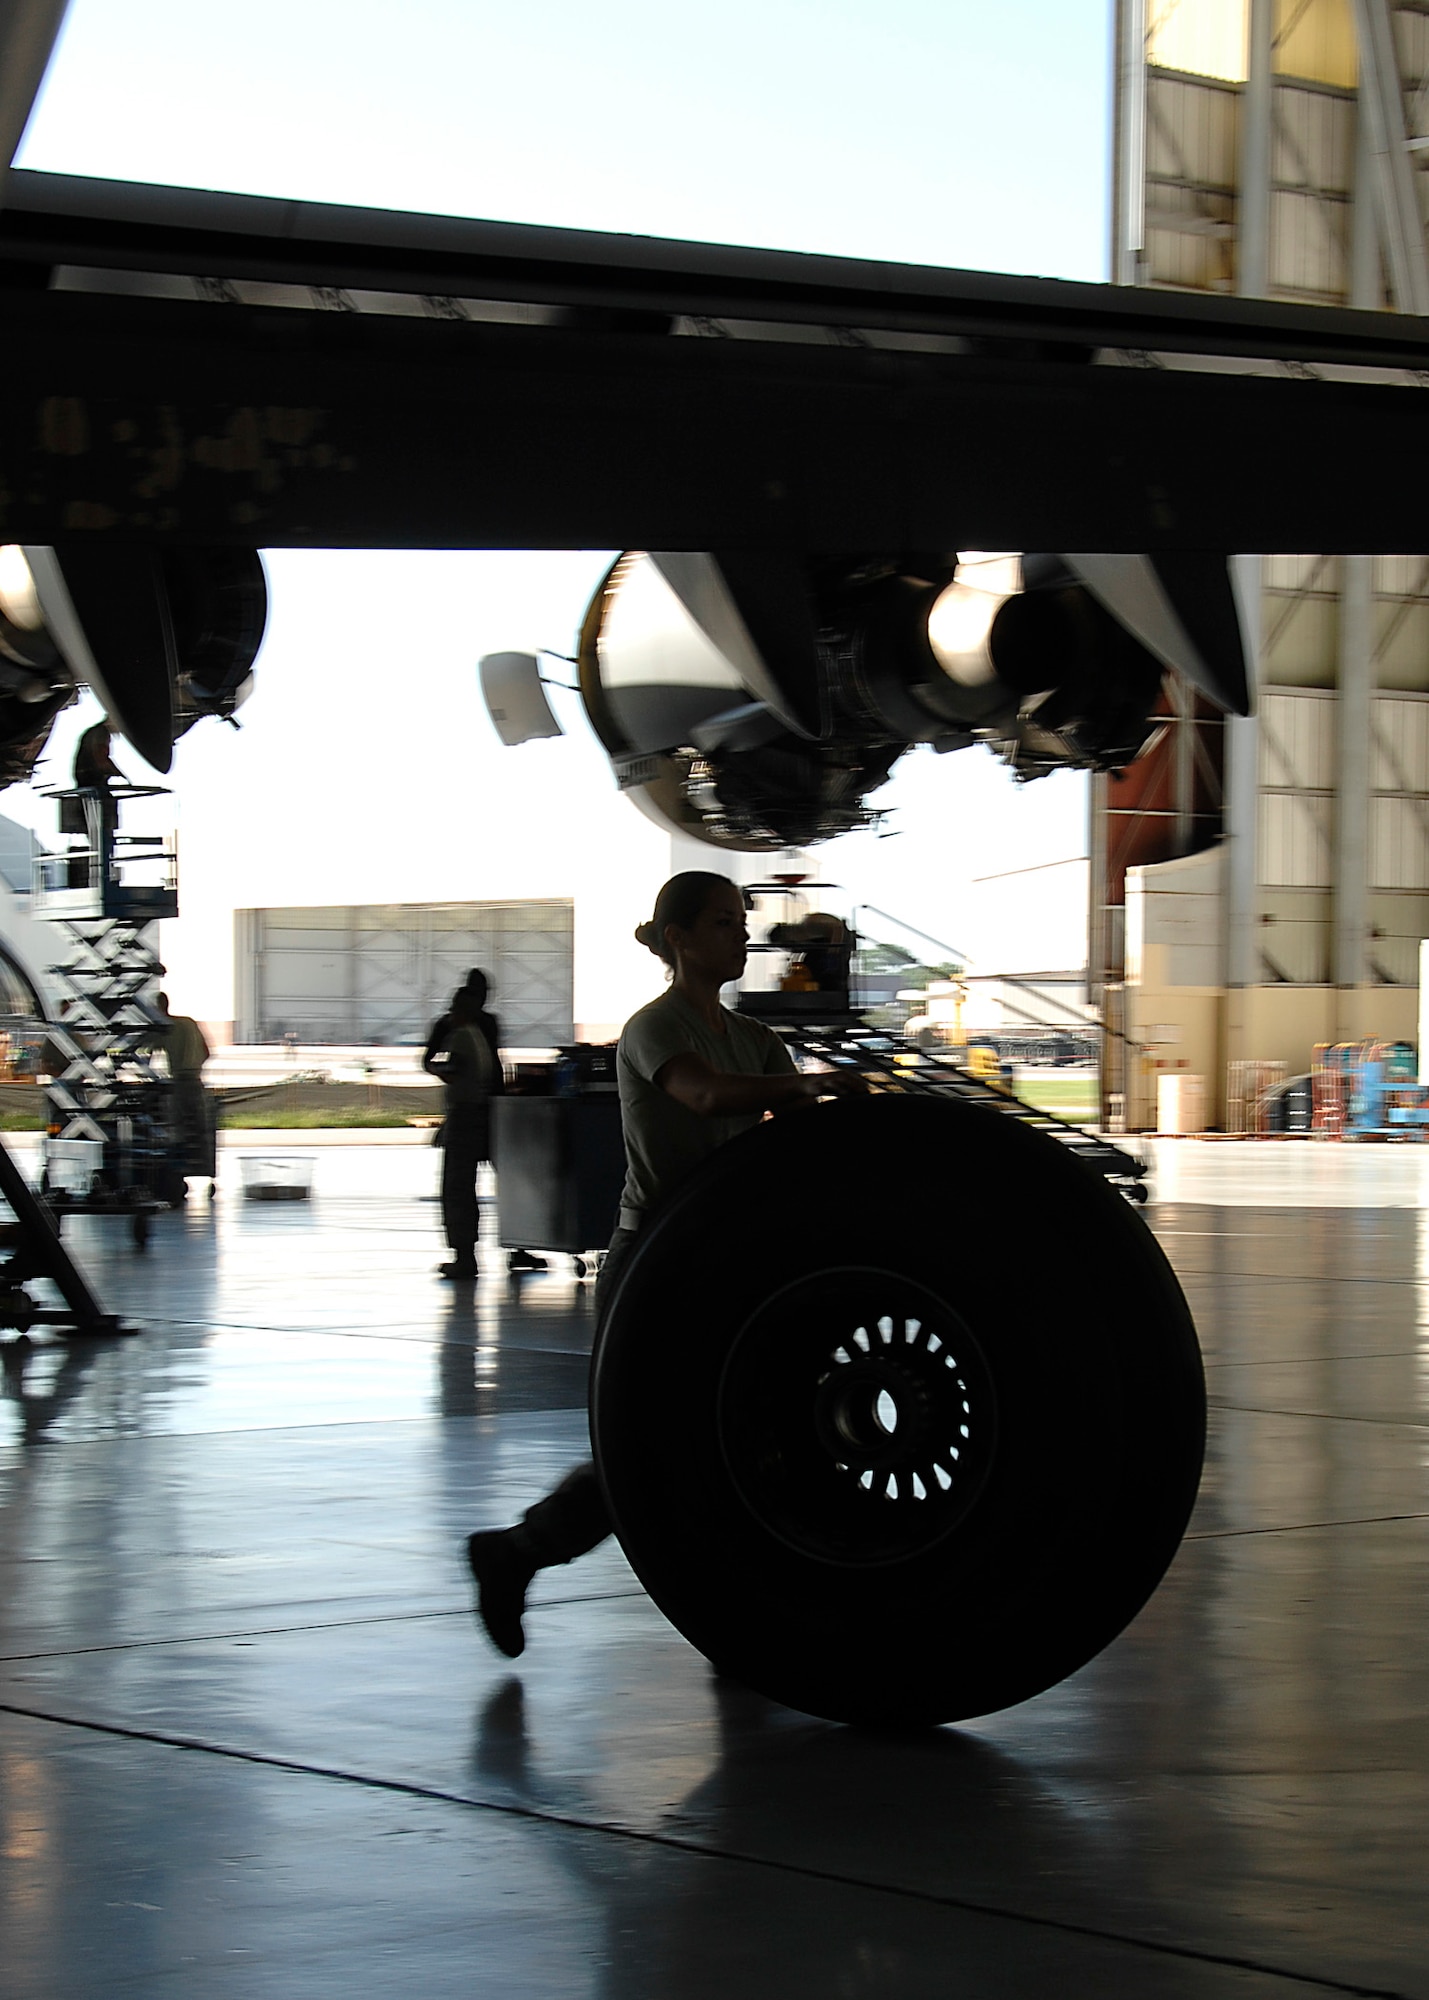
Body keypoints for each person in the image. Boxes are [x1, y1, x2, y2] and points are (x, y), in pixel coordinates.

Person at [464, 870, 865, 1659]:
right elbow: (707, 1096)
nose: (739, 935)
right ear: (678, 939)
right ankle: (516, 1553)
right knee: (653, 1454)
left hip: (733, 1267)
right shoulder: (655, 1029)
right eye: (721, 923)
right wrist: (806, 1085)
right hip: (656, 1267)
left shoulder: (754, 1037)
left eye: (739, 921)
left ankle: (733, 1618)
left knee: (734, 1446)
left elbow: (791, 1130)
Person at [428, 985, 498, 1280]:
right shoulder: (481, 1035)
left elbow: (450, 1069)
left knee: (457, 1188)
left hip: (464, 1116)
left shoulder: (460, 1036)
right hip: (482, 1114)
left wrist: (437, 1068)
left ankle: (463, 1255)